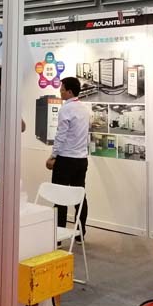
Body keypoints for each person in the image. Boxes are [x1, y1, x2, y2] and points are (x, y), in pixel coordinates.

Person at [46, 76, 90, 240]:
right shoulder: (84, 109)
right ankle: (80, 233)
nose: (60, 91)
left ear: (69, 92)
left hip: (65, 159)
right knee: (79, 196)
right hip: (81, 160)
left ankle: (58, 235)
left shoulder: (66, 109)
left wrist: (53, 156)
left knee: (60, 197)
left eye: (62, 89)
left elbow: (61, 135)